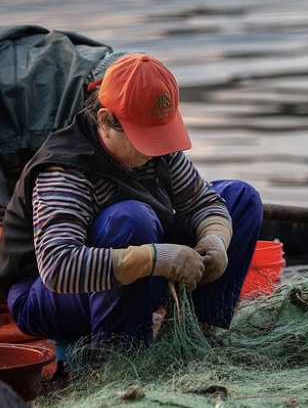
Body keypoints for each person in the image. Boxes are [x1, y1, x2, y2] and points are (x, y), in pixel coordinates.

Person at [0, 53, 263, 350]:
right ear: (105, 121)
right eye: (144, 139)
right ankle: (122, 353)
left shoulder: (160, 149)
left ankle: (199, 331)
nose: (156, 150)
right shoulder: (64, 171)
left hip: (134, 273)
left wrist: (215, 239)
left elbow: (202, 202)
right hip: (50, 296)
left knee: (241, 198)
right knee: (131, 219)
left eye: (161, 135)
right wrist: (155, 259)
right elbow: (58, 267)